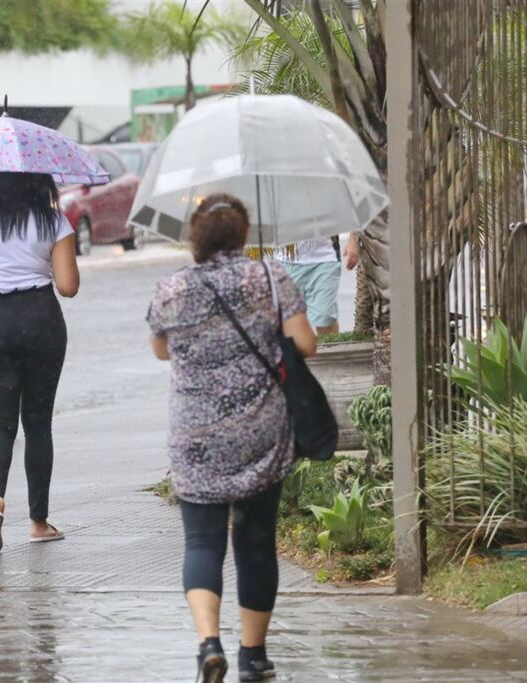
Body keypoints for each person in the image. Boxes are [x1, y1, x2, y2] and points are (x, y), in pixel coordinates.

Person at [146, 193, 316, 683]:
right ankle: (253, 655)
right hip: (260, 431)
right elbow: (306, 343)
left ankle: (208, 643)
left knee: (201, 541)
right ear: (244, 234)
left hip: (196, 435)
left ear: (195, 238)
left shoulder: (172, 288)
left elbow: (161, 351)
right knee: (257, 540)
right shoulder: (269, 278)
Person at [0, 171, 80, 555]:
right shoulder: (53, 220)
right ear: (40, 179)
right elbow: (68, 286)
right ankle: (39, 523)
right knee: (38, 424)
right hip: (41, 318)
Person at [274, 235, 359, 335]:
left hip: (324, 258)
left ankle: (329, 349)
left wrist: (353, 241)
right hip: (285, 260)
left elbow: (352, 219)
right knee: (290, 321)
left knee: (324, 317)